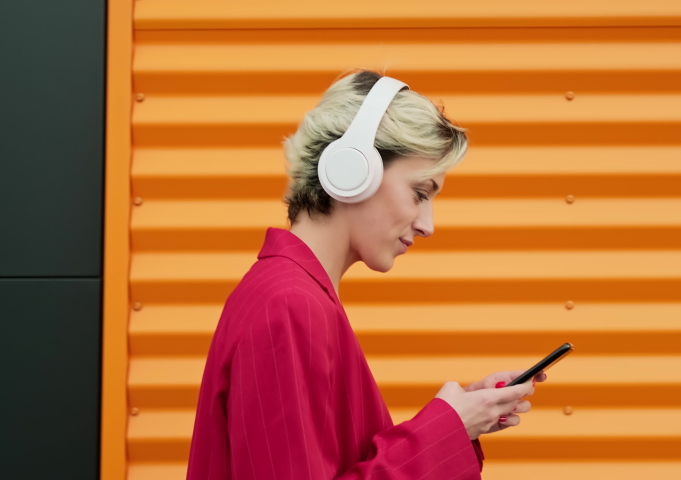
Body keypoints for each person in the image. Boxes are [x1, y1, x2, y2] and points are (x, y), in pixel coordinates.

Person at [186, 70, 545, 480]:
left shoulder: (293, 295)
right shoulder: (289, 306)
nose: (428, 225)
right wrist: (448, 428)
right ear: (353, 170)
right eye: (420, 193)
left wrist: (459, 421)